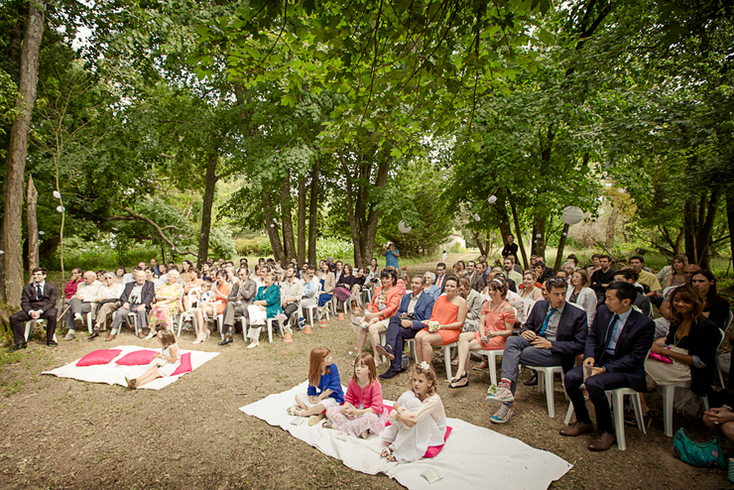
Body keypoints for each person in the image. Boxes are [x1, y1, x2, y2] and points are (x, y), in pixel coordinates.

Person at [561, 282, 654, 451]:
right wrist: (589, 356)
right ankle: (584, 421)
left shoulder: (644, 324)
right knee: (571, 377)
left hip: (625, 369)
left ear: (626, 301)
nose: (605, 302)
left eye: (610, 298)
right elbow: (592, 337)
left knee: (594, 383)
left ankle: (607, 430)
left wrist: (605, 369)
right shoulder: (603, 311)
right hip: (601, 359)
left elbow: (635, 358)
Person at [486, 278, 587, 423]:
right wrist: (525, 332)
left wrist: (552, 345)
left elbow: (580, 345)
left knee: (516, 355)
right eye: (556, 294)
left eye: (563, 294)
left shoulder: (577, 314)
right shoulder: (540, 305)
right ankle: (506, 386)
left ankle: (507, 403)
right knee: (512, 341)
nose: (560, 298)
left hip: (556, 352)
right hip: (534, 341)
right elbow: (527, 325)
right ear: (548, 294)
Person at [638, 284, 720, 421]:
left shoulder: (707, 328)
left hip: (692, 370)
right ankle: (639, 403)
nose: (680, 304)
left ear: (696, 303)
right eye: (676, 300)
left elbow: (700, 362)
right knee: (635, 358)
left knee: (635, 365)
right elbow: (671, 343)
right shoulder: (678, 320)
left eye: (686, 302)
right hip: (673, 360)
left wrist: (664, 351)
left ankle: (641, 407)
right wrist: (657, 347)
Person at [449, 277, 515, 388]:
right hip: (486, 334)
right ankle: (461, 371)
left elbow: (509, 331)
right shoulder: (486, 305)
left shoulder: (507, 308)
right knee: (463, 337)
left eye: (495, 290)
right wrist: (483, 335)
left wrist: (496, 333)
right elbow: (481, 324)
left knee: (467, 346)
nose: (491, 293)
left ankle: (462, 376)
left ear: (502, 291)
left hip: (499, 338)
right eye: (490, 290)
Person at [380, 362, 447, 462]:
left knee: (412, 404)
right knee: (408, 396)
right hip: (416, 420)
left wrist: (398, 416)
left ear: (429, 383)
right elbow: (395, 404)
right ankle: (398, 441)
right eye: (414, 380)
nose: (416, 383)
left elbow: (413, 420)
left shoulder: (433, 400)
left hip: (434, 429)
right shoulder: (416, 393)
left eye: (420, 381)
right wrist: (400, 413)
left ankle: (397, 448)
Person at [374, 276, 435, 379]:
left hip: (417, 328)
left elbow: (427, 321)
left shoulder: (429, 300)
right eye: (412, 283)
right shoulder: (406, 297)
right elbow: (398, 312)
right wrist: (401, 316)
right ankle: (390, 350)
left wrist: (412, 323)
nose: (413, 285)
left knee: (396, 332)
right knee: (394, 318)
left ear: (423, 285)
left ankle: (394, 364)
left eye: (417, 283)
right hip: (403, 324)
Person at [324, 352, 388, 438]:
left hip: (368, 412)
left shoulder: (375, 384)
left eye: (362, 366)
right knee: (330, 411)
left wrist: (357, 412)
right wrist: (345, 408)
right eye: (357, 366)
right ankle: (360, 429)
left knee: (370, 418)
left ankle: (336, 427)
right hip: (355, 409)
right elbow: (349, 398)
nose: (358, 369)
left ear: (370, 369)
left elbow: (376, 408)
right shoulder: (352, 381)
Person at [414, 275, 468, 365]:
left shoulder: (462, 302)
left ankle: (427, 367)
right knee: (418, 336)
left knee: (425, 339)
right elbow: (433, 317)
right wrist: (429, 322)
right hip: (436, 328)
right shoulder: (440, 299)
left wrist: (442, 326)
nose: (449, 288)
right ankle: (420, 365)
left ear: (457, 288)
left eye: (452, 286)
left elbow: (460, 323)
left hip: (451, 330)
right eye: (447, 286)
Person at [355, 268, 404, 363]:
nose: (384, 280)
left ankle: (376, 358)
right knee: (362, 327)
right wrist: (368, 313)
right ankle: (359, 355)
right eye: (383, 278)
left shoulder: (396, 292)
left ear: (393, 279)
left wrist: (376, 315)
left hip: (388, 318)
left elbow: (391, 308)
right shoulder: (379, 289)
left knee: (373, 328)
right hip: (374, 314)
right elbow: (372, 302)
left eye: (387, 278)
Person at [288, 347, 344, 426]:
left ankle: (304, 413)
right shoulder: (315, 371)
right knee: (298, 397)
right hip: (320, 397)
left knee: (323, 404)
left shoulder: (333, 368)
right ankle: (316, 412)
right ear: (320, 362)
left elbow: (334, 387)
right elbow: (311, 388)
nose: (331, 358)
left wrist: (320, 398)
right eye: (328, 358)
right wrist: (311, 400)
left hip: (334, 398)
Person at [9, 267, 59, 349]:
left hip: (46, 309)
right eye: (34, 274)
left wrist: (40, 311)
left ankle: (50, 339)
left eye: (38, 274)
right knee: (14, 318)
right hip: (31, 309)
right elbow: (24, 302)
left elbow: (51, 303)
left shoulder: (52, 287)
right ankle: (21, 342)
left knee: (52, 315)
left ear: (44, 275)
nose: (35, 276)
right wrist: (31, 312)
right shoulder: (27, 288)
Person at [106, 270, 156, 341]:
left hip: (140, 304)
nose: (140, 279)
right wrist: (125, 302)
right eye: (138, 277)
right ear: (135, 277)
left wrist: (143, 305)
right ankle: (113, 332)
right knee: (120, 312)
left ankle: (140, 330)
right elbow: (123, 295)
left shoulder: (150, 284)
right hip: (129, 304)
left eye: (142, 277)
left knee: (141, 311)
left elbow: (150, 296)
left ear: (145, 277)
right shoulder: (129, 284)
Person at [219, 267, 257, 345]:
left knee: (226, 310)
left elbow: (248, 296)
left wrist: (241, 287)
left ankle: (228, 335)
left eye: (242, 275)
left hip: (244, 306)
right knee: (229, 304)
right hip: (234, 305)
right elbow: (229, 298)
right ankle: (230, 330)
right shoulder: (236, 284)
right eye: (238, 275)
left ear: (247, 275)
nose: (239, 277)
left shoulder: (252, 283)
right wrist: (237, 298)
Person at [245, 271, 282, 349]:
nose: (266, 280)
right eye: (266, 278)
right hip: (260, 310)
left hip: (271, 310)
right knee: (250, 307)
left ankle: (254, 340)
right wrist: (259, 306)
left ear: (273, 281)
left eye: (268, 279)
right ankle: (258, 322)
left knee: (255, 315)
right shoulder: (261, 288)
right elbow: (254, 301)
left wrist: (259, 304)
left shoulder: (275, 288)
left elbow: (270, 301)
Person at [193, 270, 231, 344]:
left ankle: (202, 332)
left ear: (224, 277)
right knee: (196, 310)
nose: (218, 280)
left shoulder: (230, 285)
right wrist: (212, 300)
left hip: (224, 305)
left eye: (219, 278)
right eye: (217, 278)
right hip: (215, 304)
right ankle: (204, 330)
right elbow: (216, 298)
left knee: (200, 310)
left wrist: (217, 291)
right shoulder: (218, 286)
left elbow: (229, 298)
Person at [64, 271, 104, 341]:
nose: (84, 280)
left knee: (72, 308)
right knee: (74, 300)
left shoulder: (100, 285)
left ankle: (71, 331)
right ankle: (78, 315)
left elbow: (99, 298)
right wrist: (74, 297)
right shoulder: (80, 284)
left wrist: (84, 298)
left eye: (86, 278)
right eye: (84, 278)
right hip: (78, 302)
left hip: (90, 303)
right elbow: (76, 294)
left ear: (93, 278)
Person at [148, 270, 183, 336]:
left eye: (171, 277)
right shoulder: (163, 286)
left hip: (173, 305)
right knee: (154, 310)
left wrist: (163, 303)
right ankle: (152, 330)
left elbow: (173, 298)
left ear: (175, 278)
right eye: (168, 276)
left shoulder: (178, 287)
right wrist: (166, 297)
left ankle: (167, 330)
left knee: (163, 309)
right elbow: (157, 296)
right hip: (160, 304)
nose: (168, 278)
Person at [89, 272, 124, 338]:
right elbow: (98, 296)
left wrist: (106, 298)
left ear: (114, 278)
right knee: (100, 306)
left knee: (105, 306)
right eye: (106, 278)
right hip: (104, 303)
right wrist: (99, 299)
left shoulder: (118, 286)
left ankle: (98, 324)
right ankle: (98, 326)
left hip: (115, 303)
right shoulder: (102, 287)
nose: (108, 279)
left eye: (110, 278)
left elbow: (118, 296)